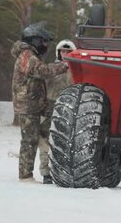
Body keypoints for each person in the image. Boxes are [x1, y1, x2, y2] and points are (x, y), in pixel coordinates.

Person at [11, 22, 68, 184]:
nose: (44, 45)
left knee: (40, 135)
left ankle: (37, 171)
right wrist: (64, 66)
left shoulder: (28, 55)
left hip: (34, 103)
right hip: (27, 104)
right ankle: (25, 175)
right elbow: (41, 71)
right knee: (29, 139)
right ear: (34, 40)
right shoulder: (26, 56)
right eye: (43, 41)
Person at [40, 39, 76, 173]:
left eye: (68, 51)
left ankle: (63, 171)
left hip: (69, 110)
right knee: (45, 140)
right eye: (63, 51)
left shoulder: (78, 70)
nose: (65, 54)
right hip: (50, 108)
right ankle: (46, 171)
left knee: (66, 142)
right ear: (58, 52)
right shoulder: (50, 68)